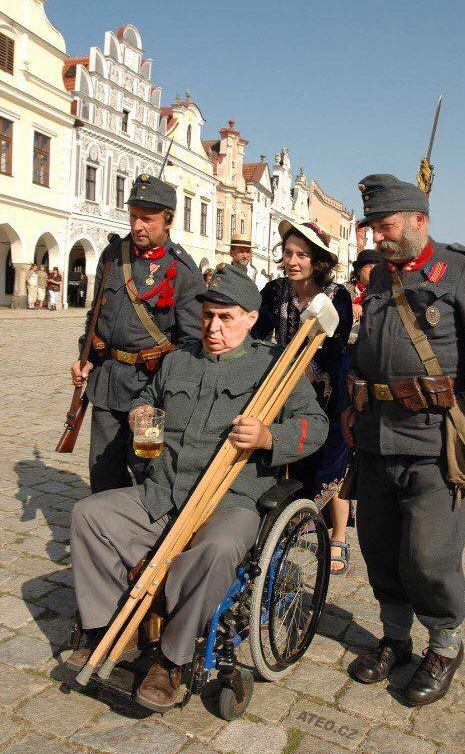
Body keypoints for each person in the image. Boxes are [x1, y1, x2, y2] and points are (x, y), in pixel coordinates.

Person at [67, 264, 328, 712]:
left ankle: (173, 659)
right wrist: (143, 413)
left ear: (250, 318)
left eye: (226, 318)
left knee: (217, 550)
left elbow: (316, 426)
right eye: (208, 316)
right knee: (88, 515)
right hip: (164, 491)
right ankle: (111, 629)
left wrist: (269, 438)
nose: (213, 327)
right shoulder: (178, 359)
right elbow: (149, 396)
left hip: (231, 500)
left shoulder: (274, 369)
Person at [345, 174, 465, 705]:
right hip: (375, 437)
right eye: (373, 226)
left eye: (388, 225)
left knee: (428, 555)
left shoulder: (464, 271)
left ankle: (443, 644)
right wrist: (353, 404)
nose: (379, 236)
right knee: (378, 547)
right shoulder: (378, 279)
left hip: (433, 440)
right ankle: (394, 638)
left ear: (420, 220)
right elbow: (367, 349)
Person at [70, 174, 204, 493]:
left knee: (148, 472)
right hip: (106, 382)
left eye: (147, 219)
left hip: (149, 392)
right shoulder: (113, 255)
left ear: (168, 221)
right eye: (133, 217)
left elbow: (191, 344)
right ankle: (104, 537)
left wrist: (169, 394)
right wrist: (84, 358)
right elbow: (95, 314)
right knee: (103, 472)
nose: (138, 226)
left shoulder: (183, 272)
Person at [252, 220, 353, 575]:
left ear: (318, 260)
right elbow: (256, 331)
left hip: (326, 395)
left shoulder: (337, 294)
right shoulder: (274, 291)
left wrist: (317, 318)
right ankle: (281, 527)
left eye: (302, 255)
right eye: (288, 253)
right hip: (282, 393)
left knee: (330, 465)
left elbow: (335, 332)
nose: (292, 260)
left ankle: (337, 535)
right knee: (282, 457)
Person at [348, 249, 385, 343]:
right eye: (369, 266)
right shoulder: (344, 290)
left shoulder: (384, 295)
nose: (373, 270)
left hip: (367, 347)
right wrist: (348, 306)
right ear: (359, 271)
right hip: (343, 344)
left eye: (377, 267)